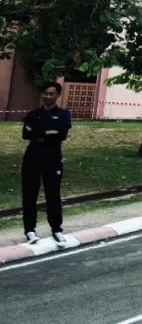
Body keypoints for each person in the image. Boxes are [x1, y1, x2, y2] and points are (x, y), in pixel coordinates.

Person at [22, 82, 72, 245]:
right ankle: (30, 230)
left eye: (51, 94)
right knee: (29, 196)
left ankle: (56, 230)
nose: (48, 96)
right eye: (45, 93)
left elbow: (61, 135)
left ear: (57, 95)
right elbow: (25, 134)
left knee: (53, 195)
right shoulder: (33, 114)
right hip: (32, 159)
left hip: (53, 159)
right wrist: (46, 133)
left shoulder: (63, 115)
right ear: (42, 94)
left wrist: (38, 133)